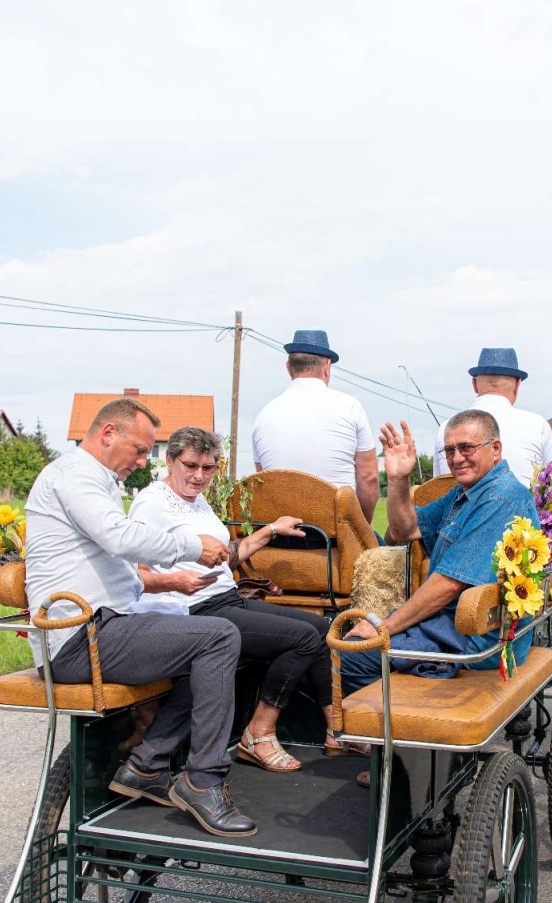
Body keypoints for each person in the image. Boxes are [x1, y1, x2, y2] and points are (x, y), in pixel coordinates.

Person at [23, 396, 256, 838]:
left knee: (207, 642)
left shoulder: (96, 481)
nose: (142, 460)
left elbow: (116, 572)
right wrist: (194, 548)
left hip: (100, 627)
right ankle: (203, 782)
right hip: (80, 639)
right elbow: (120, 537)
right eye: (140, 449)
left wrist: (169, 583)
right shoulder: (76, 475)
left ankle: (148, 765)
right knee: (221, 637)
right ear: (109, 433)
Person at [129, 426, 366, 773]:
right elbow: (137, 572)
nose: (198, 476)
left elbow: (227, 557)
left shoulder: (197, 502)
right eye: (191, 465)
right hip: (192, 609)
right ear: (170, 460)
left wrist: (271, 530)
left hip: (225, 598)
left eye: (207, 468)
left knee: (319, 627)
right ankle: (259, 733)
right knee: (302, 639)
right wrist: (174, 582)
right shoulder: (152, 503)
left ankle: (336, 730)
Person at [339, 411, 538, 694]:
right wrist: (397, 479)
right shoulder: (467, 492)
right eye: (450, 450)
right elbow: (404, 530)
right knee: (344, 645)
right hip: (448, 625)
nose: (456, 458)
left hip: (476, 637)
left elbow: (448, 584)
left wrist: (382, 627)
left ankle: (376, 735)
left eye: (466, 447)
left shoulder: (500, 497)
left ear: (495, 449)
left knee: (350, 657)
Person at [250, 329, 379, 524]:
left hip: (280, 536)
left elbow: (263, 483)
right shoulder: (350, 407)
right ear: (327, 367)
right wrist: (361, 529)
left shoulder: (262, 416)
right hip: (336, 533)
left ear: (289, 367)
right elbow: (369, 478)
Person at [431, 348, 552, 489]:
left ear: (474, 384)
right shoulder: (538, 425)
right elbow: (551, 487)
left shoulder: (446, 428)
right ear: (517, 385)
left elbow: (436, 487)